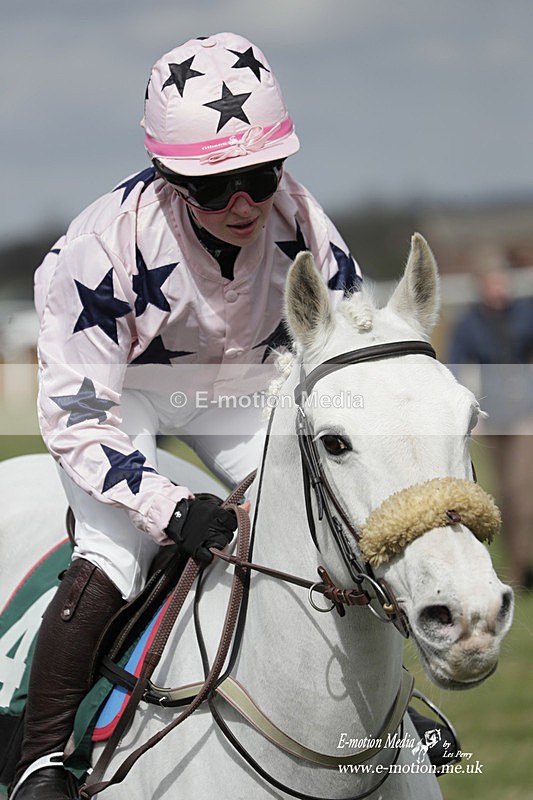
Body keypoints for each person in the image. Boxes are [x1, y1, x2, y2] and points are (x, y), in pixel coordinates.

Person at [11, 32, 362, 800]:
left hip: (233, 385)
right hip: (119, 397)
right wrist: (170, 509)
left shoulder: (302, 218)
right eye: (213, 187)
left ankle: (394, 712)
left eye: (260, 175)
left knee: (339, 511)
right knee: (119, 551)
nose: (242, 204)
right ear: (169, 176)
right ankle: (39, 759)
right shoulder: (101, 248)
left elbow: (353, 343)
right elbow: (78, 420)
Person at [449, 244, 533, 589]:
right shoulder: (469, 325)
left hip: (524, 418)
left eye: (501, 280)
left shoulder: (525, 314)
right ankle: (518, 569)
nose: (498, 287)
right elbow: (455, 368)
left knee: (522, 493)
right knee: (505, 500)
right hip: (493, 419)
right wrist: (472, 415)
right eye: (491, 281)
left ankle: (524, 568)